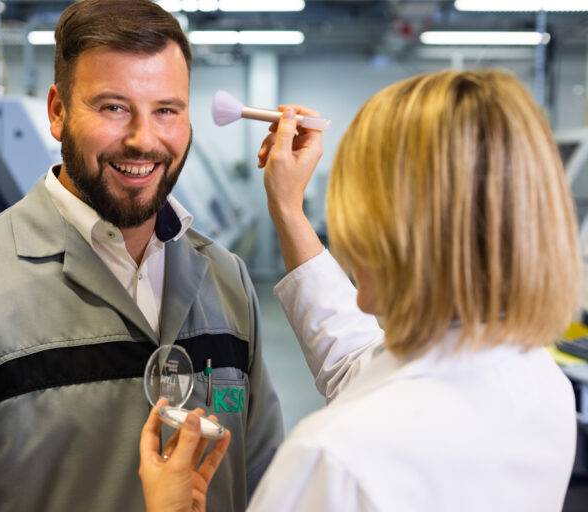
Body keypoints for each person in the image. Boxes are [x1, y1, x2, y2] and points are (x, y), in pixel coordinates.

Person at [0, 1, 284, 510]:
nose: (143, 139)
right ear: (57, 111)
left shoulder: (226, 281)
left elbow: (266, 483)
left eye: (166, 110)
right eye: (113, 107)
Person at [138, 70, 579, 511]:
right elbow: (362, 364)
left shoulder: (333, 460)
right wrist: (287, 207)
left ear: (394, 230)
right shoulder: (542, 384)